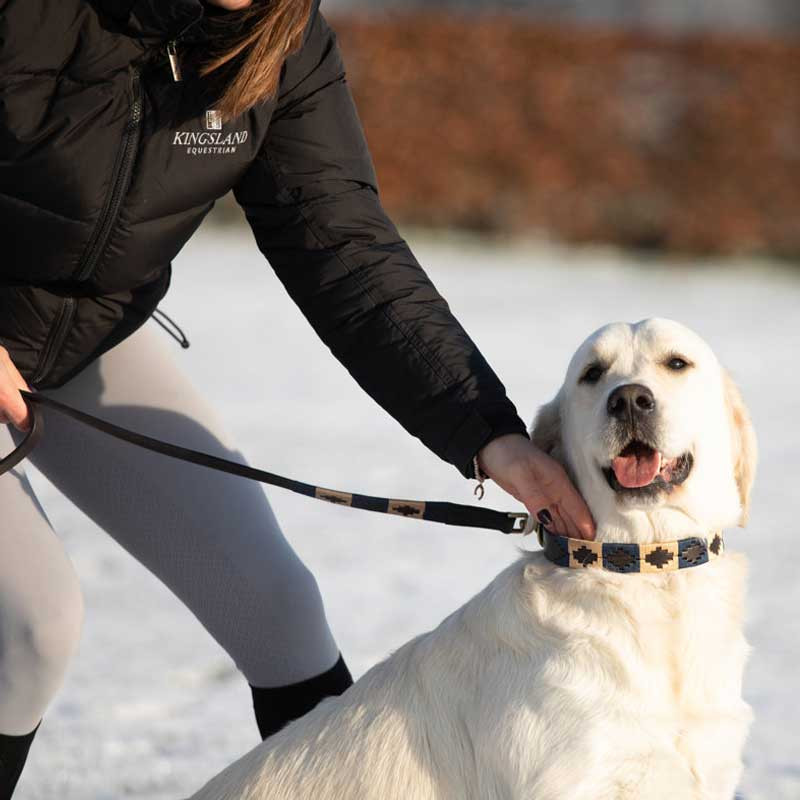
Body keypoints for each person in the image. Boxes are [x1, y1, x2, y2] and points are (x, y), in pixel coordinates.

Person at [0, 0, 595, 795]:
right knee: (32, 625)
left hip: (79, 340)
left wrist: (490, 434)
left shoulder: (281, 49)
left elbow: (346, 251)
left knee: (276, 610)